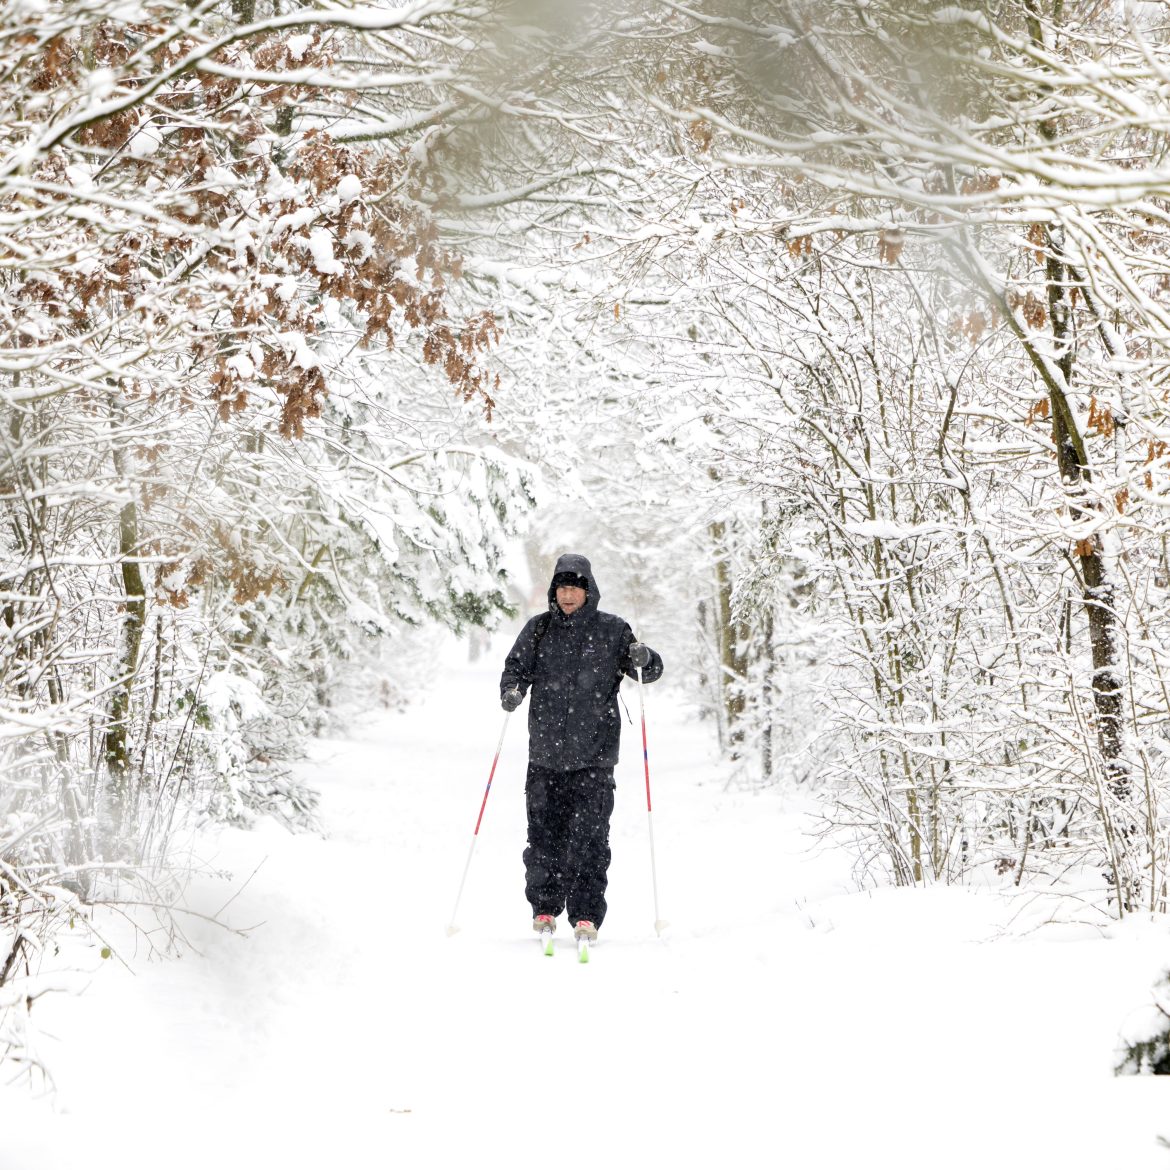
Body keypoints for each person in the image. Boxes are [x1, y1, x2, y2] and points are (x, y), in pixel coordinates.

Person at [499, 553, 663, 945]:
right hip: (545, 758)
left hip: (595, 758)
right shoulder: (538, 631)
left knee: (590, 840)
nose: (568, 594)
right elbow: (515, 668)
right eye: (562, 587)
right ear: (554, 591)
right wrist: (512, 690)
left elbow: (649, 670)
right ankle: (544, 907)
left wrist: (646, 658)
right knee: (544, 839)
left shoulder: (612, 631)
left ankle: (586, 914)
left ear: (589, 591)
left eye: (575, 587)